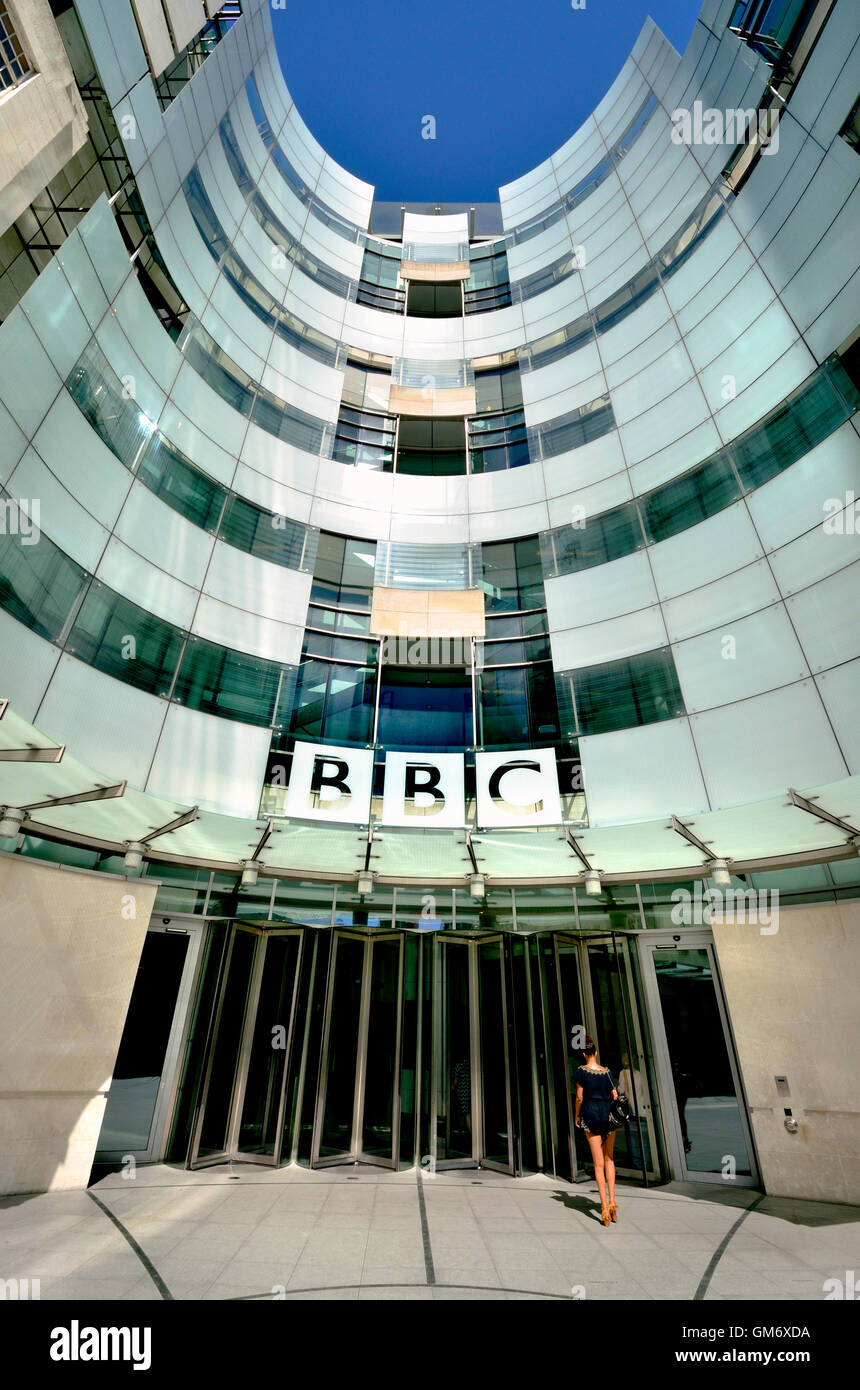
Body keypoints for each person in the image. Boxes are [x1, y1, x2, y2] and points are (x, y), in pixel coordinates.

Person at [574, 1035, 619, 1227]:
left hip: (591, 1113)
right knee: (609, 1158)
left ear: (584, 1054)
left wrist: (577, 1116)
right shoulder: (606, 1072)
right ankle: (613, 1203)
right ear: (596, 1052)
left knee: (598, 1164)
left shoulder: (581, 1072)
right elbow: (615, 1094)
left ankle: (603, 1208)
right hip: (608, 1114)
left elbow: (579, 1097)